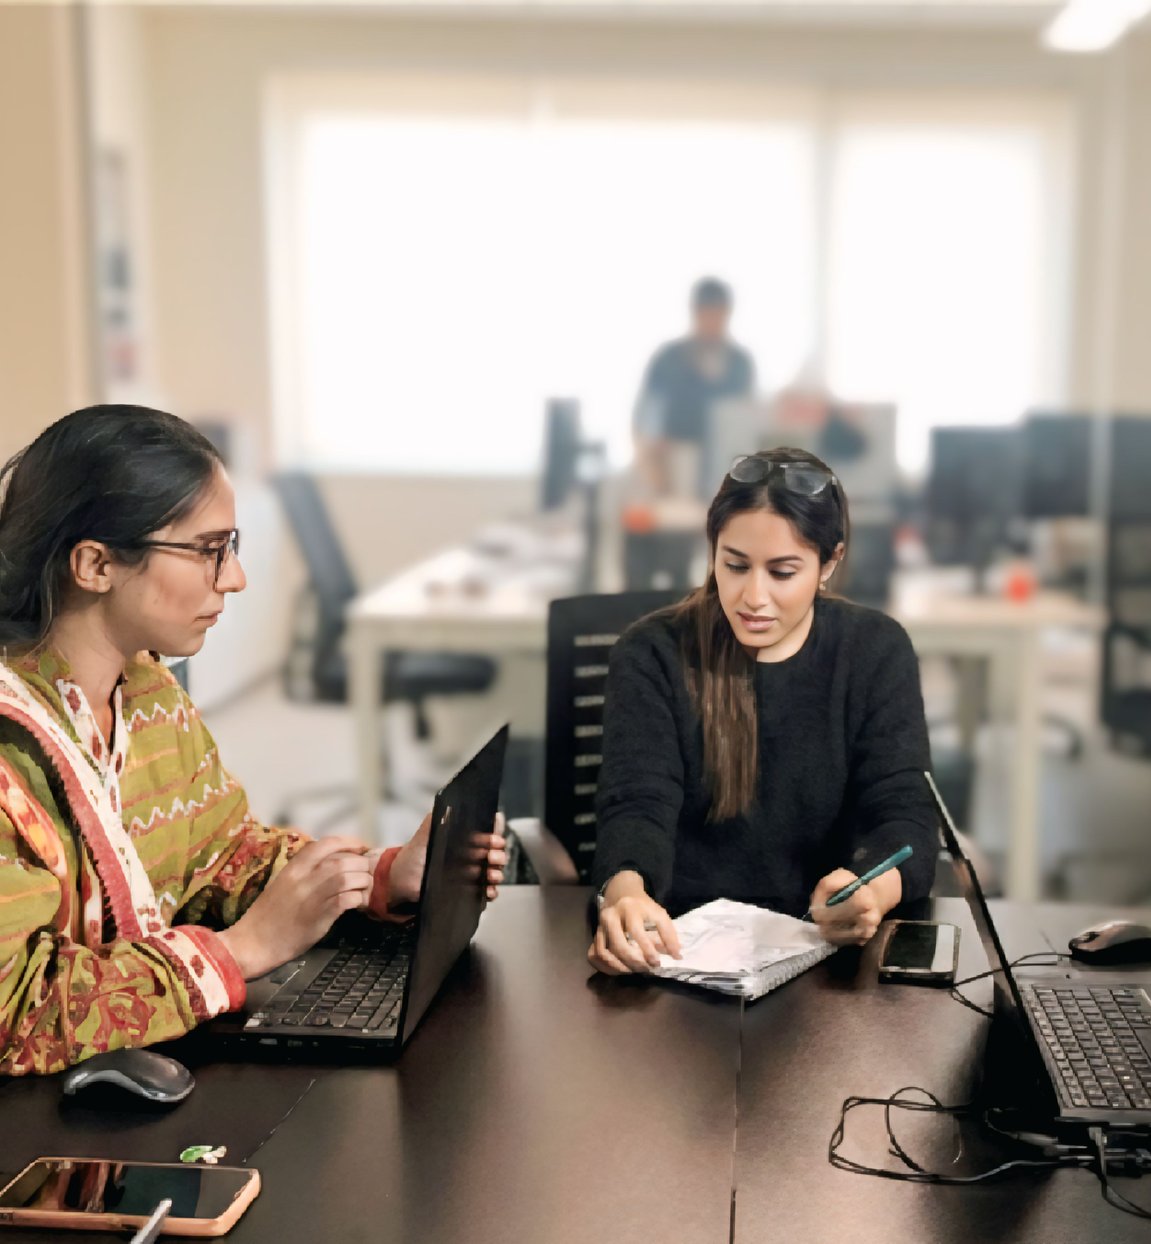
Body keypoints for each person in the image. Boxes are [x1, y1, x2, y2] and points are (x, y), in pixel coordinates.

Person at [0, 406, 509, 1075]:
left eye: (231, 546)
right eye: (208, 550)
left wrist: (379, 879)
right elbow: (15, 1012)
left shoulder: (148, 691)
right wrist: (243, 950)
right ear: (95, 564)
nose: (235, 577)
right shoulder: (12, 749)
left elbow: (222, 856)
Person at [587, 447, 938, 974]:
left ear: (830, 563)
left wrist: (870, 893)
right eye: (734, 565)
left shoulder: (875, 651)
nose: (753, 596)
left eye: (782, 572)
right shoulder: (652, 653)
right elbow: (636, 806)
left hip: (828, 957)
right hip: (680, 948)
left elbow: (905, 815)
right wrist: (626, 895)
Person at [633, 277, 757, 497]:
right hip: (672, 468)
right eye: (706, 314)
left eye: (719, 315)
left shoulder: (740, 364)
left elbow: (748, 421)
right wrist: (653, 465)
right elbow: (643, 422)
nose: (712, 322)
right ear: (694, 313)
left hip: (725, 471)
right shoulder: (668, 360)